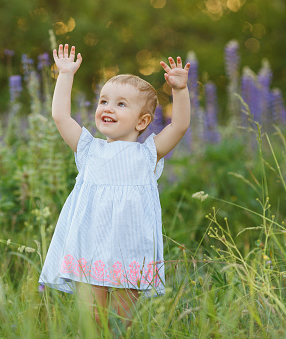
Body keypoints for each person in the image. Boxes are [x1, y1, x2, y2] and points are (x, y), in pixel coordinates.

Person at [38, 44, 191, 329]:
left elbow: (180, 126)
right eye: (103, 101)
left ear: (143, 121)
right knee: (93, 319)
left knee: (120, 322)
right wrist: (66, 74)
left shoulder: (147, 154)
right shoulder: (88, 149)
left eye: (121, 104)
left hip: (130, 250)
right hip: (90, 247)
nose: (108, 108)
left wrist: (180, 91)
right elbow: (61, 116)